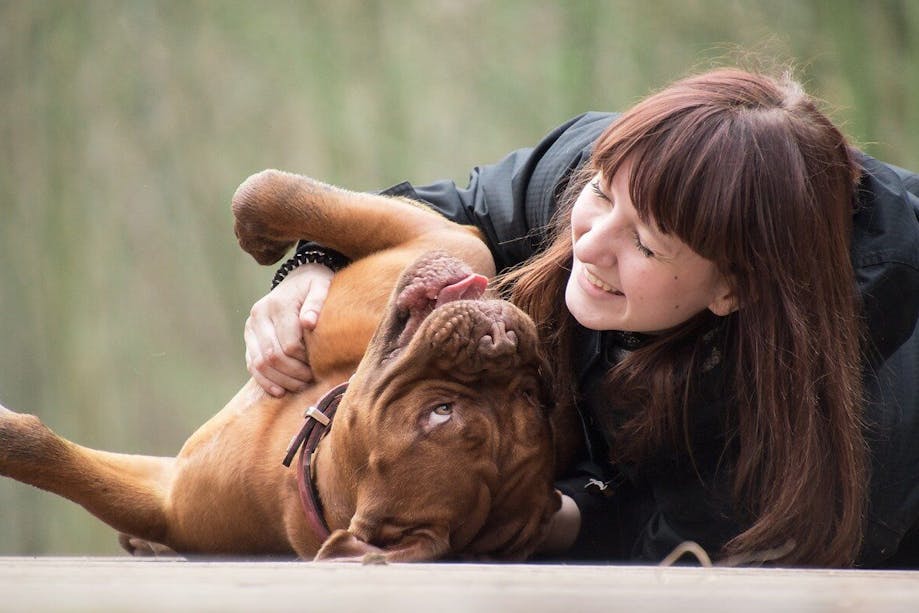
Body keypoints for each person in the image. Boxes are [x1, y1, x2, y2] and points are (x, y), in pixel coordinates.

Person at [243, 69, 919, 567]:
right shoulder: (619, 167)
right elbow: (463, 212)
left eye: (645, 244)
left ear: (733, 290)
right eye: (601, 192)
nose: (587, 244)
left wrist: (546, 517)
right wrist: (314, 264)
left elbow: (669, 542)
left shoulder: (829, 425)